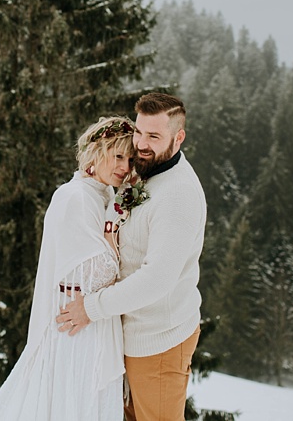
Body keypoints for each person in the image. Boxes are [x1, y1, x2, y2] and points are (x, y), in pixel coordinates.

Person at [57, 90, 207, 421]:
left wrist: (91, 308)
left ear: (178, 137)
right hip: (128, 334)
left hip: (158, 341)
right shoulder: (146, 169)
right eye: (139, 131)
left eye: (154, 136)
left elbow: (156, 280)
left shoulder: (177, 195)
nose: (141, 143)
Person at [0, 116, 134, 421]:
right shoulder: (74, 196)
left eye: (129, 159)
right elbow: (100, 271)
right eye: (117, 156)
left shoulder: (104, 196)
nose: (125, 166)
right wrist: (111, 235)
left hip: (93, 319)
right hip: (77, 326)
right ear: (95, 152)